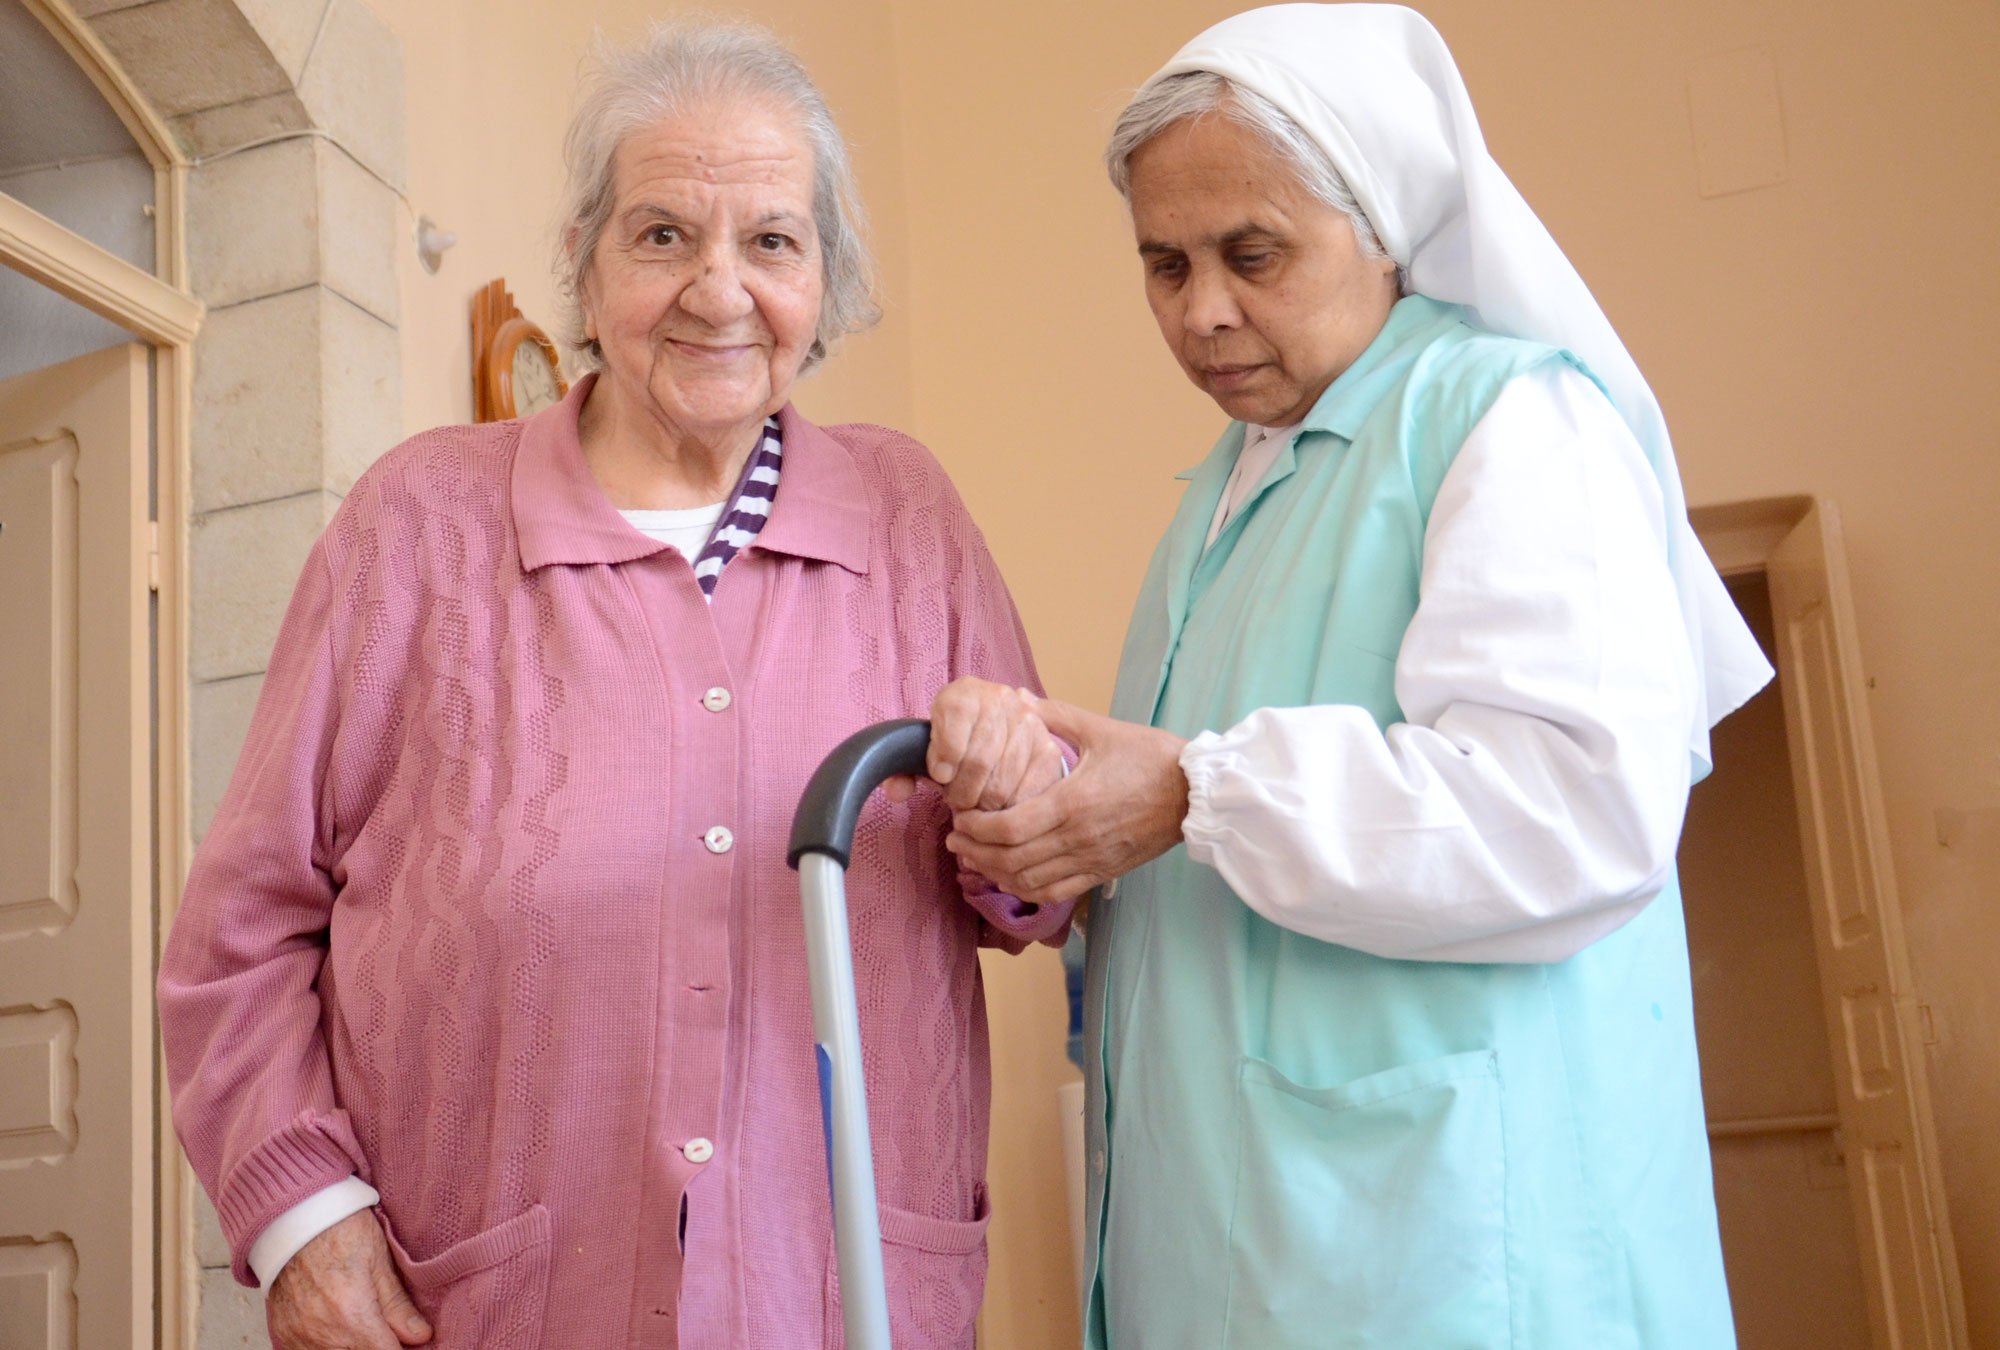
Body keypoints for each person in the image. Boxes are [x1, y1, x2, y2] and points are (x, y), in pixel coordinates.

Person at [158, 21, 1070, 1350]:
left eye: (771, 240)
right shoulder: (420, 521)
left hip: (830, 1294)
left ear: (827, 281)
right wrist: (302, 1210)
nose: (718, 289)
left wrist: (1018, 798)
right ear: (584, 265)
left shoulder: (908, 514)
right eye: (661, 235)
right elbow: (243, 923)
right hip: (489, 1296)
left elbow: (1032, 892)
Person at [922, 5, 1775, 1346]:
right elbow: (1192, 843)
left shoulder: (1510, 422)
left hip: (1442, 1259)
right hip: (1238, 1256)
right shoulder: (1222, 500)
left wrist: (1194, 793)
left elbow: (1575, 810)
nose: (1203, 310)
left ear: (1382, 223)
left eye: (1252, 253)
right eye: (1163, 264)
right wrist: (1057, 823)